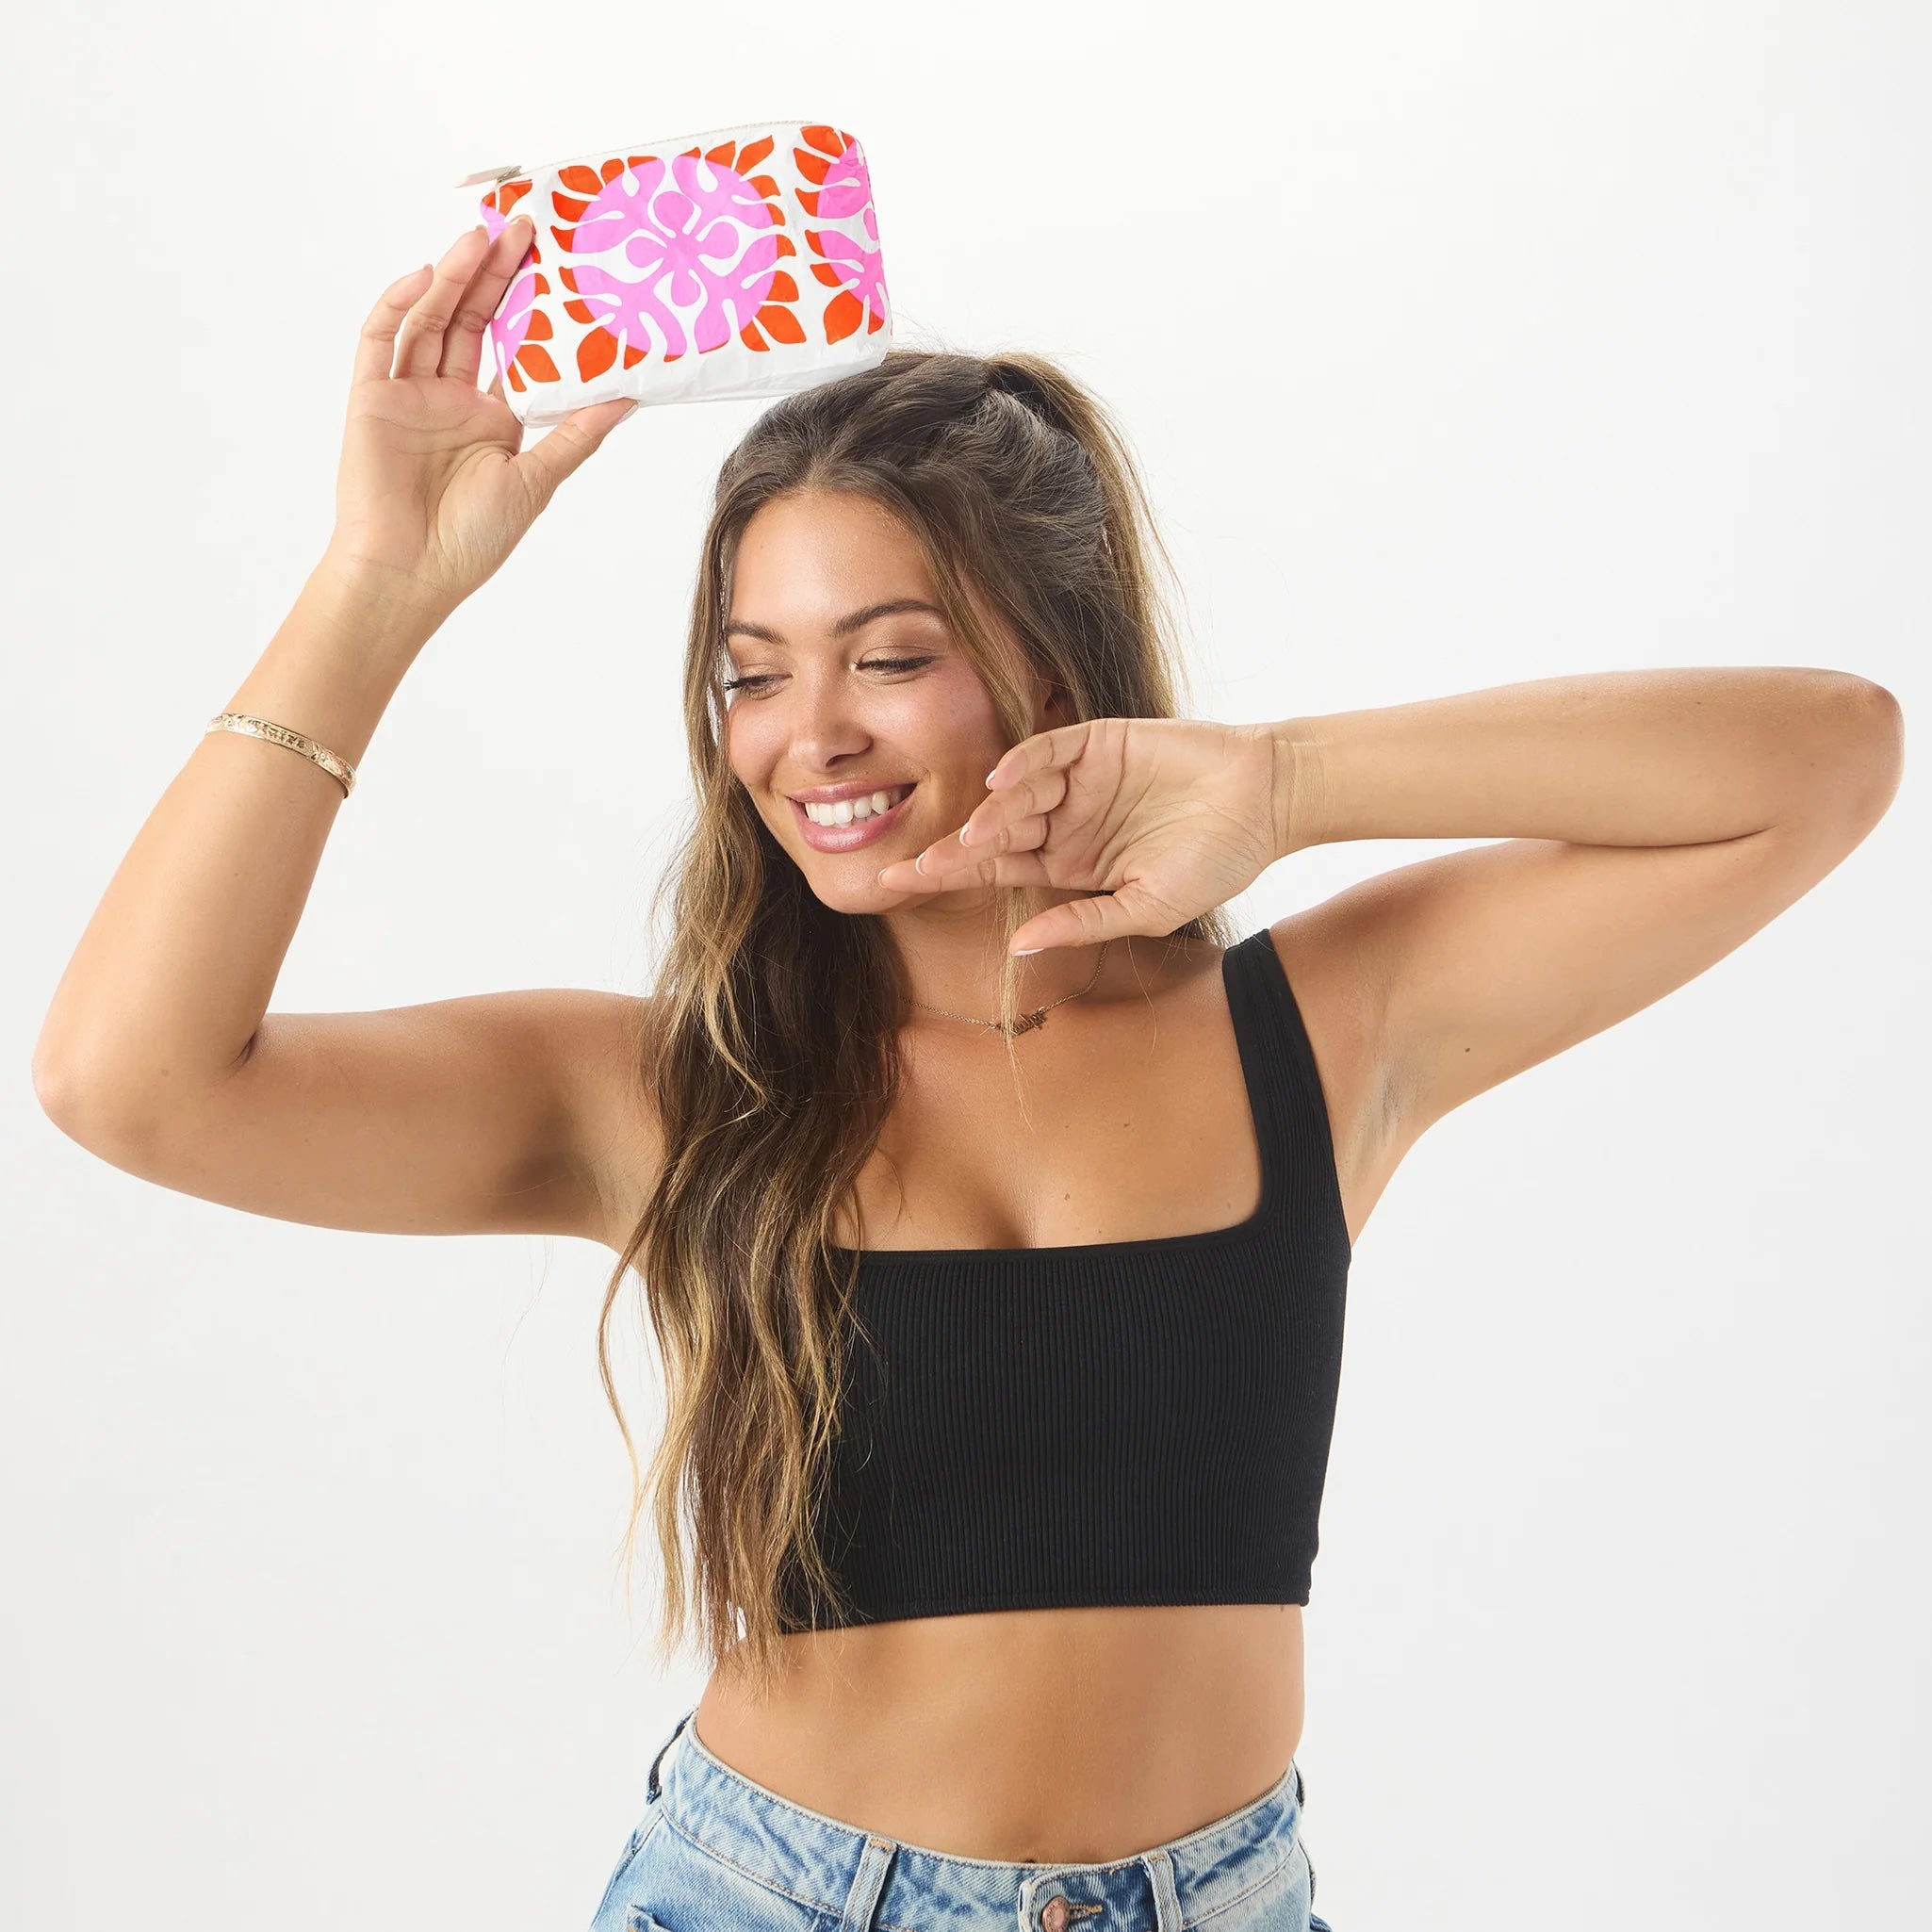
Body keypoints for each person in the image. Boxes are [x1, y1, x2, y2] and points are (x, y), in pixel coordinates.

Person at [32, 215, 1903, 1932]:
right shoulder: (669, 1093)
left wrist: (1283, 779)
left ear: (1051, 664)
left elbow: (1825, 758)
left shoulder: (1320, 1029)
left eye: (890, 656)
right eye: (752, 673)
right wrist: (376, 578)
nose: (809, 735)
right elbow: (131, 1080)